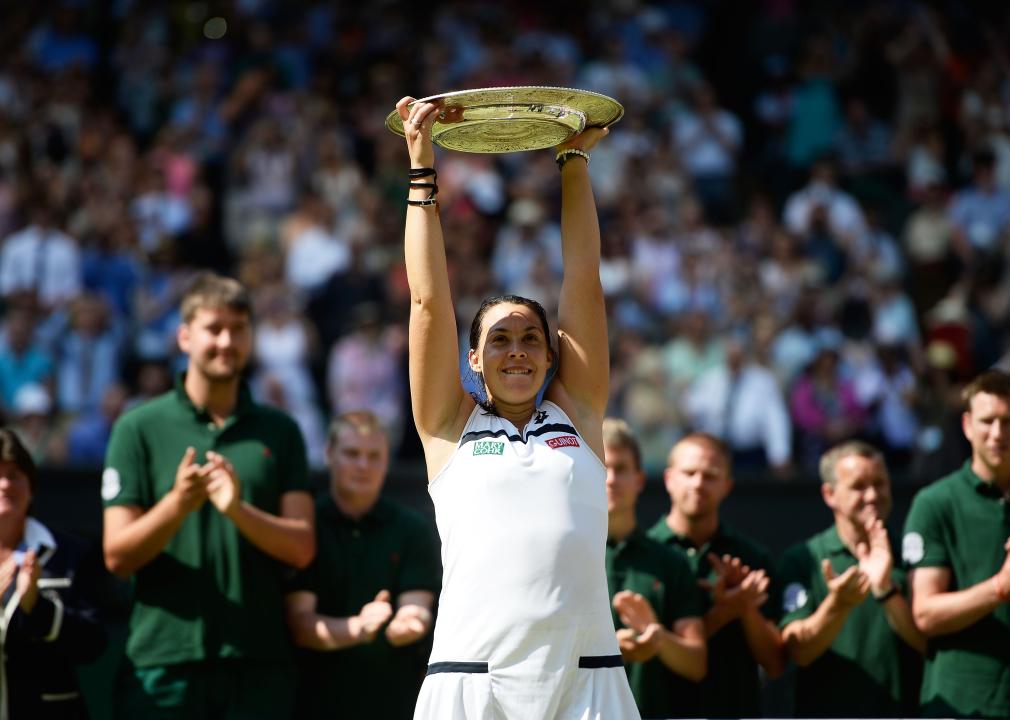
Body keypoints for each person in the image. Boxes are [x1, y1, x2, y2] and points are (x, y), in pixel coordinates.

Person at [397, 96, 640, 719]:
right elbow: (428, 303)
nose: (516, 352)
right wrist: (422, 172)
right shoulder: (448, 428)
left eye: (531, 337)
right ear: (472, 359)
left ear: (554, 353)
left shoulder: (579, 413)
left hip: (588, 678)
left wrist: (574, 160)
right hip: (471, 683)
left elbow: (584, 280)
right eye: (498, 339)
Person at [101, 273, 315, 719]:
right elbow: (117, 555)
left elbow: (301, 547)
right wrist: (178, 502)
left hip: (258, 669)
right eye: (213, 328)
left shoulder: (281, 430)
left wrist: (237, 509)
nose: (226, 341)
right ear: (183, 336)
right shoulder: (137, 428)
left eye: (238, 329)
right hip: (162, 667)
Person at [285, 411, 441, 719]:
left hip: (394, 704)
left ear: (387, 461)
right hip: (313, 704)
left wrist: (408, 624)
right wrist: (358, 628)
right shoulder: (305, 526)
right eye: (352, 453)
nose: (362, 466)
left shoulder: (413, 529)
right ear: (329, 454)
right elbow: (300, 625)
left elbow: (416, 606)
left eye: (374, 456)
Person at [779, 441, 924, 717]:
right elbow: (797, 651)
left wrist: (885, 590)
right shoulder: (805, 558)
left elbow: (930, 646)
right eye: (858, 486)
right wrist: (838, 604)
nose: (872, 495)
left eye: (880, 483)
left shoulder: (914, 555)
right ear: (829, 494)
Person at [649, 433, 785, 718]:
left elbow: (774, 663)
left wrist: (747, 609)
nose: (698, 484)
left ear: (728, 485)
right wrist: (725, 612)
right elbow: (642, 658)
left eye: (710, 475)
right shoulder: (643, 557)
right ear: (669, 479)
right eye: (689, 473)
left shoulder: (752, 559)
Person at [903, 370, 1010, 718]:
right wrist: (998, 589)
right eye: (988, 421)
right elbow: (925, 613)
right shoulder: (936, 503)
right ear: (966, 425)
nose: (998, 433)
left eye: (1008, 421)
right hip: (960, 704)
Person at [602, 418, 706, 719]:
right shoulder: (562, 559)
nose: (610, 479)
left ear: (639, 479)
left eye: (620, 469)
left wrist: (658, 638)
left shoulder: (671, 562)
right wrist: (607, 649)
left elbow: (697, 662)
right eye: (601, 467)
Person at [0, 427, 107, 719]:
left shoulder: (72, 553)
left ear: (31, 487)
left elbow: (92, 644)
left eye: (14, 475)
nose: (5, 484)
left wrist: (36, 607)